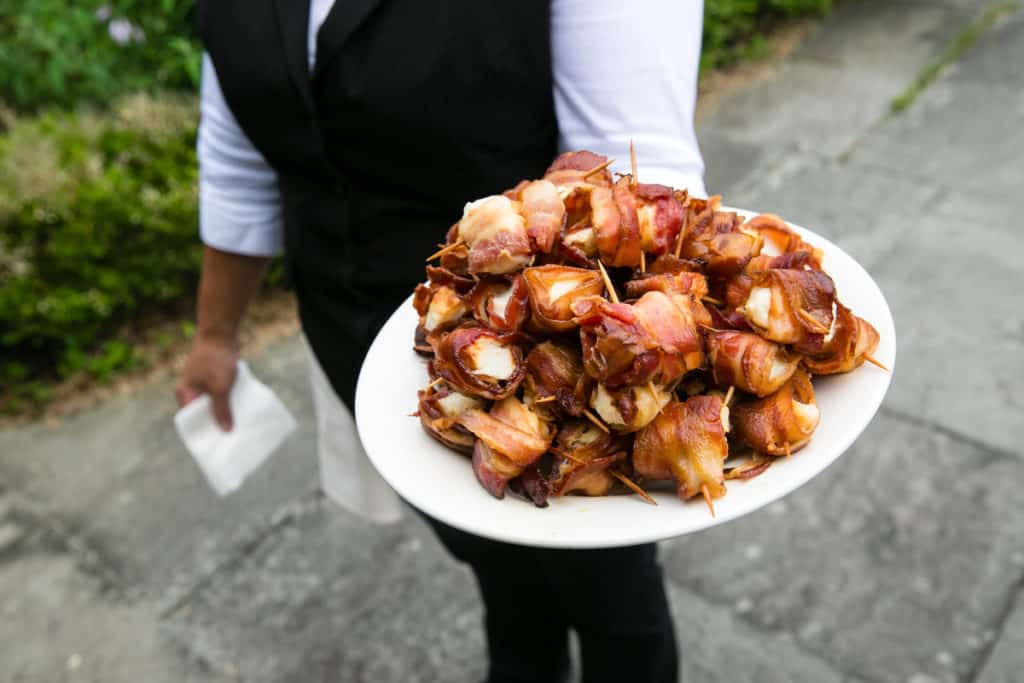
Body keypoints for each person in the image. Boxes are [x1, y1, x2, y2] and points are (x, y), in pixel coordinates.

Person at [176, 2, 706, 681]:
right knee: (493, 557)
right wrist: (215, 335)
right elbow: (239, 154)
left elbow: (637, 175)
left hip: (575, 383)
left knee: (609, 586)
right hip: (357, 336)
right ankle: (521, 652)